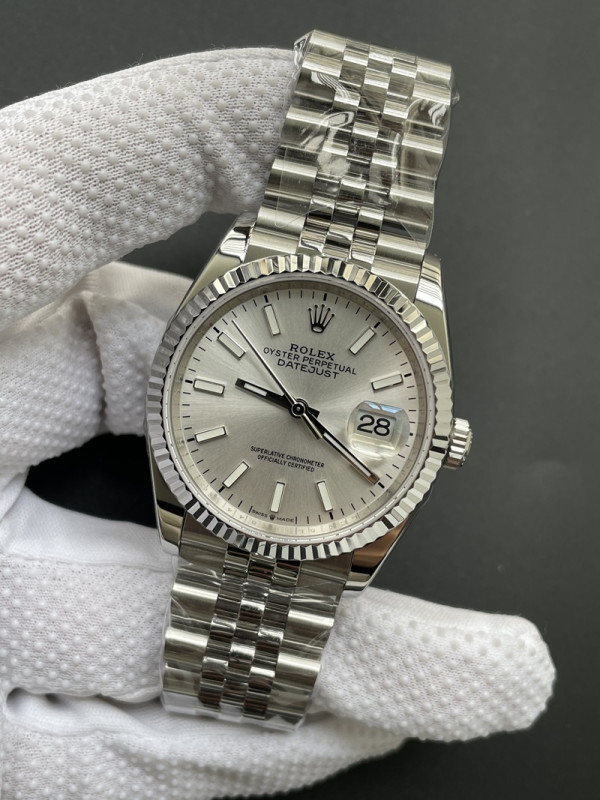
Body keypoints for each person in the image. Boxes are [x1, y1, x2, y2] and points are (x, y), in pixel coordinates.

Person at [0, 45, 554, 799]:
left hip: (278, 493)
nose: (299, 409)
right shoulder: (216, 311)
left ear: (440, 441)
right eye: (293, 404)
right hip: (236, 483)